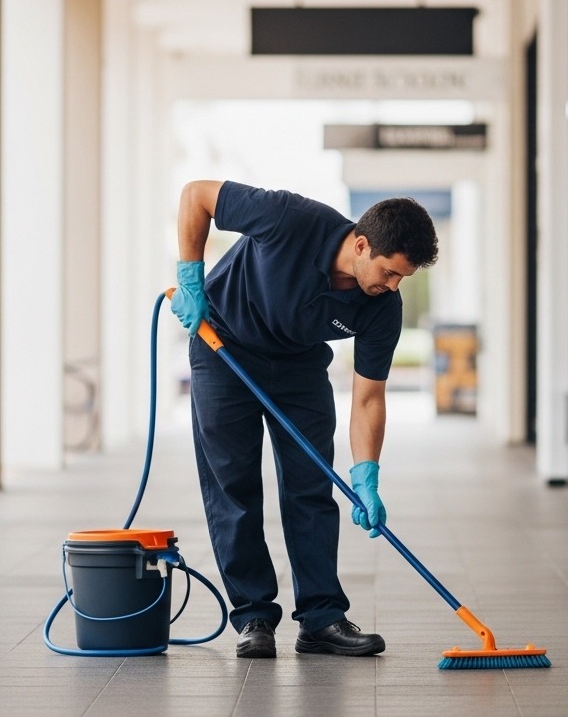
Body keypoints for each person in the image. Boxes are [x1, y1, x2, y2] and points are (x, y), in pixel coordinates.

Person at [170, 179, 438, 659]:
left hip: (298, 364)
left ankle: (321, 619)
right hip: (224, 348)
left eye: (403, 278)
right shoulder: (288, 218)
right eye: (389, 272)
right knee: (234, 484)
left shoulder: (382, 307)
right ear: (361, 245)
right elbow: (197, 196)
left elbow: (368, 398)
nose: (393, 286)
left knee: (312, 484)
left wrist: (367, 474)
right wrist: (191, 278)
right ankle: (253, 616)